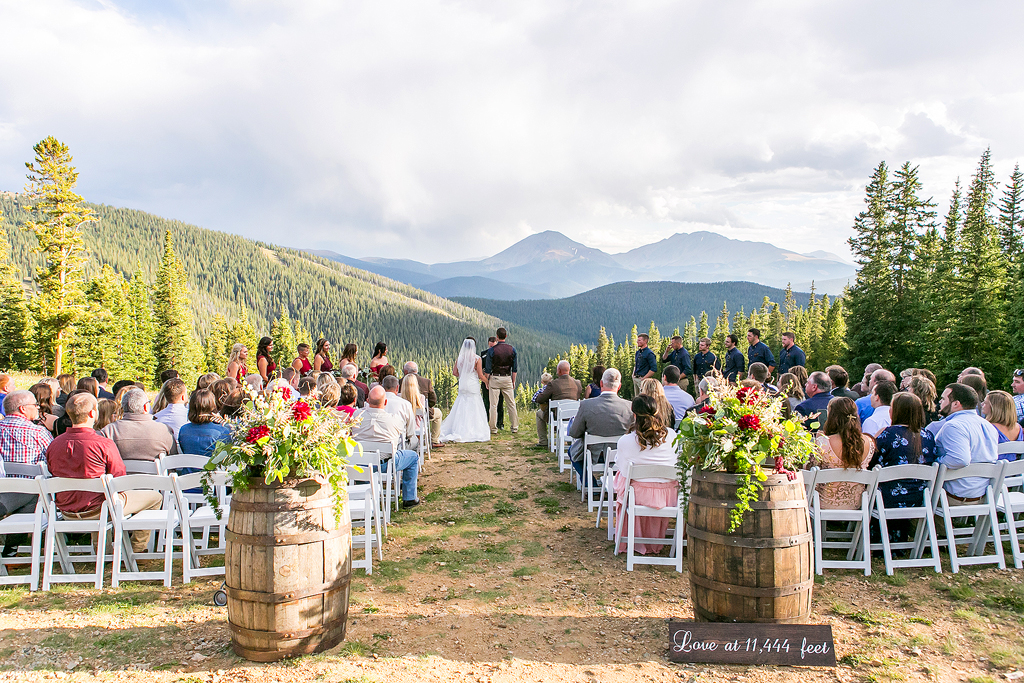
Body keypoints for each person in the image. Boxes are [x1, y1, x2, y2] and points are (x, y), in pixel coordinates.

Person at [46, 392, 163, 553]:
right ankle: (138, 548)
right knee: (155, 497)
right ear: (93, 413)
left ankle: (104, 550)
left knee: (103, 497)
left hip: (66, 510)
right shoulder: (103, 444)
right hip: (100, 510)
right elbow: (119, 481)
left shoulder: (54, 444)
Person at [611, 395, 680, 554]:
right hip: (668, 496)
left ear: (634, 415)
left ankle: (629, 535)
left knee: (622, 478)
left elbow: (623, 469)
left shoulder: (626, 441)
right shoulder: (671, 435)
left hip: (639, 496)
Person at [868, 393, 937, 542]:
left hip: (886, 498)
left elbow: (872, 465)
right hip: (918, 498)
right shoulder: (928, 436)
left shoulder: (887, 434)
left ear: (897, 411)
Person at [928, 383, 999, 504]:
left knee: (914, 501)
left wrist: (935, 463)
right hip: (982, 494)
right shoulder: (987, 425)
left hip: (955, 495)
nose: (940, 402)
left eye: (943, 399)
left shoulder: (954, 426)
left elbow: (960, 460)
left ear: (956, 404)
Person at [352, 386, 421, 508]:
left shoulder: (357, 416)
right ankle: (409, 497)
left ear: (367, 400)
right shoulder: (393, 420)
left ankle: (361, 490)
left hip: (360, 465)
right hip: (385, 465)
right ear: (385, 402)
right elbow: (403, 435)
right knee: (413, 457)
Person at [806, 397, 876, 509]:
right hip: (856, 503)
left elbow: (810, 470)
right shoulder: (869, 442)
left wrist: (817, 444)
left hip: (823, 503)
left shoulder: (824, 442)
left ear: (833, 417)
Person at [568, 368, 634, 483]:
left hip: (593, 455)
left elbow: (574, 433)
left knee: (572, 451)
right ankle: (615, 483)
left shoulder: (586, 405)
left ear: (601, 383)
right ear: (619, 386)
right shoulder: (630, 407)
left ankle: (590, 483)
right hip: (619, 454)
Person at [102, 387, 178, 461]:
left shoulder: (109, 431)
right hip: (156, 473)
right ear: (145, 407)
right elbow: (173, 460)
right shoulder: (164, 430)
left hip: (121, 473)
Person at [439, 338, 491, 443]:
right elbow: (480, 375)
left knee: (461, 404)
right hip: (472, 384)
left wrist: (463, 375)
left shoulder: (460, 358)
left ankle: (459, 428)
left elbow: (455, 372)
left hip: (463, 384)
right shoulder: (477, 359)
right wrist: (487, 382)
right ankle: (475, 429)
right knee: (475, 404)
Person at [533, 360, 583, 448]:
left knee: (538, 413)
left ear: (559, 370)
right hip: (573, 417)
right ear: (569, 370)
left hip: (556, 417)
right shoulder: (577, 383)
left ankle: (543, 441)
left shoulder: (553, 384)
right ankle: (570, 441)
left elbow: (540, 399)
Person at [0, 391, 53, 470]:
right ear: (23, 409)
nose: (38, 407)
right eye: (35, 405)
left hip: (3, 481)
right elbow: (53, 459)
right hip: (33, 481)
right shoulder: (38, 432)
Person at [483, 328, 519, 434]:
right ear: (506, 336)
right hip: (507, 377)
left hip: (495, 377)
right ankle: (514, 427)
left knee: (493, 405)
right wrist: (513, 381)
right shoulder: (512, 349)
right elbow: (515, 368)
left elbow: (488, 369)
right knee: (511, 404)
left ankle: (493, 428)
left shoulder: (492, 351)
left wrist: (486, 380)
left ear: (497, 337)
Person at [178, 389, 232, 458]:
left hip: (189, 468)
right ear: (212, 407)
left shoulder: (183, 430)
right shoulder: (222, 432)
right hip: (212, 468)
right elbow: (226, 457)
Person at [403, 362, 442, 447]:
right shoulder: (426, 382)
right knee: (438, 413)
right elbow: (433, 400)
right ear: (416, 370)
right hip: (422, 417)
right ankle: (434, 440)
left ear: (405, 372)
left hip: (404, 418)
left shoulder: (401, 381)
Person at [381, 375, 417, 450]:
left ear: (382, 387)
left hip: (376, 443)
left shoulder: (373, 403)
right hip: (397, 444)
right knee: (415, 441)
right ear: (397, 388)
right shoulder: (405, 404)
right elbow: (410, 432)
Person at [481, 337, 504, 430]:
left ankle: (500, 423)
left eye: (493, 346)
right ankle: (486, 421)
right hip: (486, 379)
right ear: (488, 344)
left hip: (497, 379)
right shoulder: (483, 354)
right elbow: (481, 367)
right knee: (486, 402)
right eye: (490, 346)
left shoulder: (499, 354)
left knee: (500, 402)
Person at [400, 373, 427, 440]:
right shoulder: (421, 398)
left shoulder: (399, 397)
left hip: (402, 426)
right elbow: (422, 415)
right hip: (417, 427)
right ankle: (418, 444)